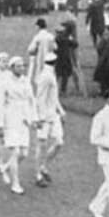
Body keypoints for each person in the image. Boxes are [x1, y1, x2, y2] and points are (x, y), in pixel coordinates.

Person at [0, 56, 37, 195]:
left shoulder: (26, 81)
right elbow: (0, 104)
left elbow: (32, 100)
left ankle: (5, 167)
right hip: (10, 118)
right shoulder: (5, 82)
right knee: (15, 152)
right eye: (18, 66)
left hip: (24, 118)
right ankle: (15, 183)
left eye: (23, 66)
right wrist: (0, 124)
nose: (22, 68)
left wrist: (33, 118)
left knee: (24, 154)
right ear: (12, 67)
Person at [34, 52, 65, 187]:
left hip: (53, 115)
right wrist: (40, 118)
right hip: (44, 117)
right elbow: (40, 98)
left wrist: (61, 110)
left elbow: (53, 96)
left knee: (59, 142)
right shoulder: (45, 76)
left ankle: (43, 166)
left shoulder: (50, 74)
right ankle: (37, 175)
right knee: (41, 145)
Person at [27, 18, 56, 86]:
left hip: (41, 58)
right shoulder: (51, 36)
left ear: (38, 26)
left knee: (40, 76)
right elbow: (55, 47)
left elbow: (31, 49)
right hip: (50, 59)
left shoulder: (37, 37)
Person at [55, 21, 80, 95]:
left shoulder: (56, 39)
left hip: (58, 59)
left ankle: (54, 88)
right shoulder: (67, 39)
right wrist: (71, 39)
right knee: (65, 76)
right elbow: (75, 44)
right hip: (66, 59)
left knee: (57, 74)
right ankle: (63, 90)